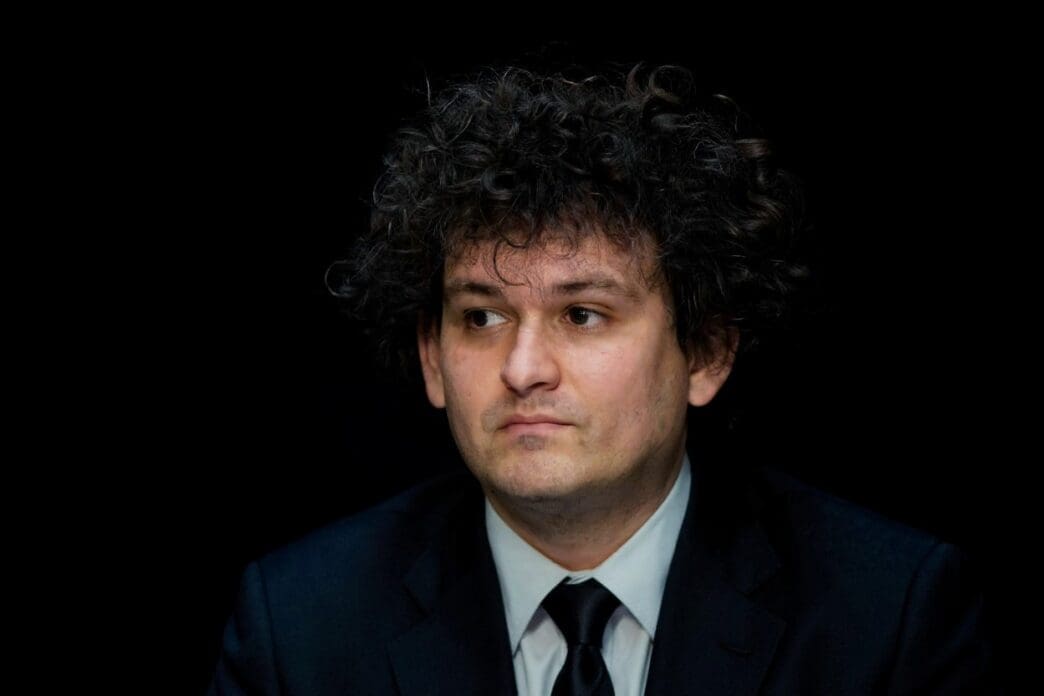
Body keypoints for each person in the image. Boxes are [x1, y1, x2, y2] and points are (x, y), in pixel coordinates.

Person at [207, 60, 997, 695]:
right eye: (481, 317)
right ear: (430, 358)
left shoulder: (888, 615)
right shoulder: (301, 625)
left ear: (707, 352)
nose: (522, 370)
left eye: (582, 314)